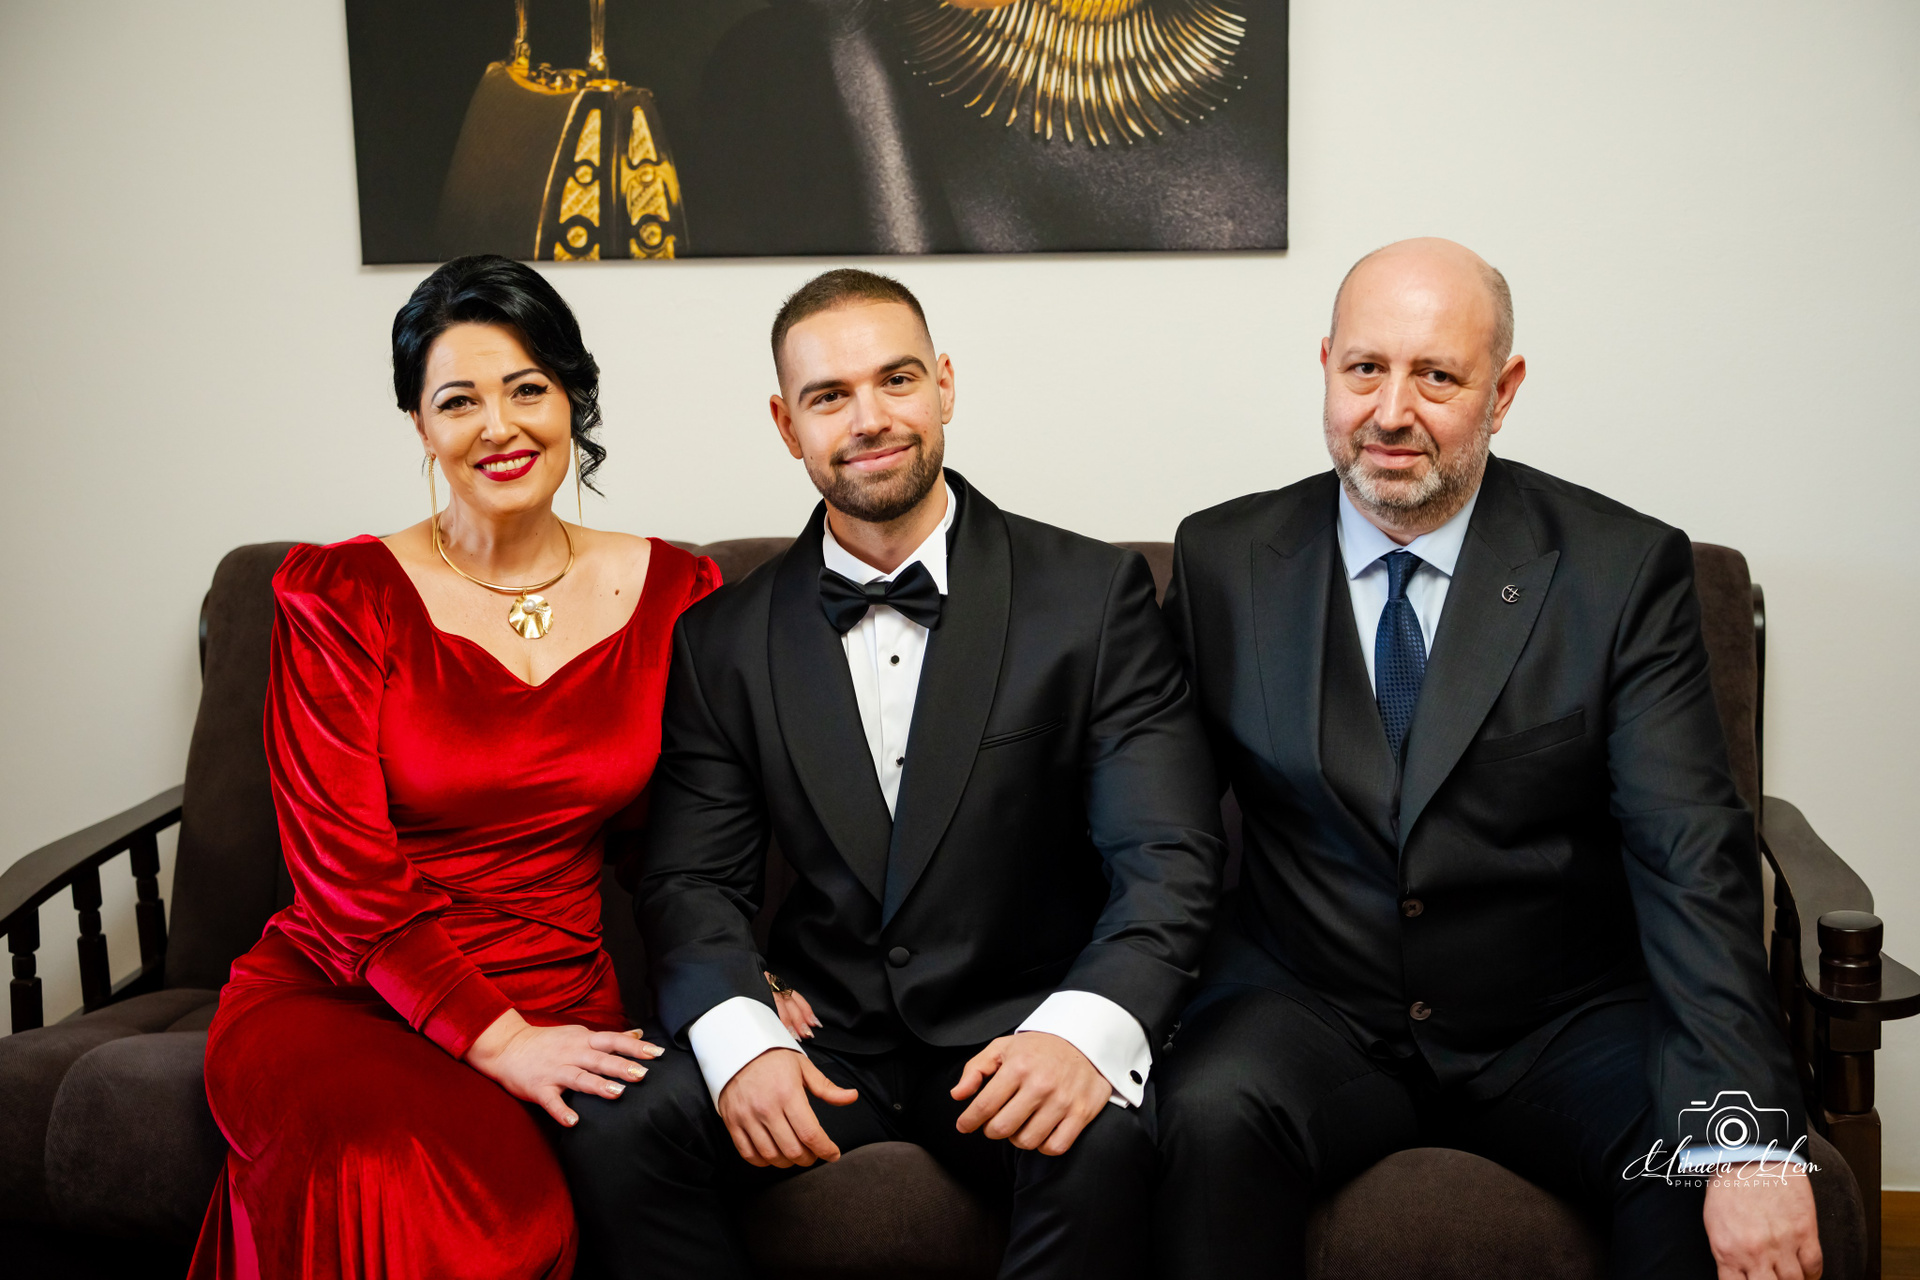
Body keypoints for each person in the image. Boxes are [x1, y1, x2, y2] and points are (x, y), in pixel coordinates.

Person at [1154, 238, 1821, 1280]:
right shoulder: (1221, 560)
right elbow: (1155, 827)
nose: (1390, 412)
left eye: (1437, 376)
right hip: (1309, 1008)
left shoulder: (1622, 570)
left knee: (1692, 1168)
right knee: (1202, 1111)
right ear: (1325, 364)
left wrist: (1744, 1134)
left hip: (1559, 1021)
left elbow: (1690, 853)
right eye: (1365, 368)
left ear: (1502, 393)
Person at [554, 269, 1225, 1279]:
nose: (869, 419)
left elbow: (1167, 857)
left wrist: (1082, 1033)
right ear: (786, 424)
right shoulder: (722, 640)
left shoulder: (1092, 597)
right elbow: (690, 880)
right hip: (824, 1036)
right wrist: (744, 1034)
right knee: (614, 1129)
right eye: (829, 396)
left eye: (896, 380)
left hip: (1021, 1026)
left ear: (944, 385)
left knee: (1101, 1141)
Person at [189, 255, 719, 1278]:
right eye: (458, 400)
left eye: (527, 388)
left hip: (563, 997)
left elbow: (683, 841)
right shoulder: (340, 594)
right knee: (454, 1207)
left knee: (517, 1215)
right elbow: (341, 874)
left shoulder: (676, 591)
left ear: (572, 398)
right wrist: (498, 1038)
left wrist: (741, 973)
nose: (498, 426)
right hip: (349, 996)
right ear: (420, 426)